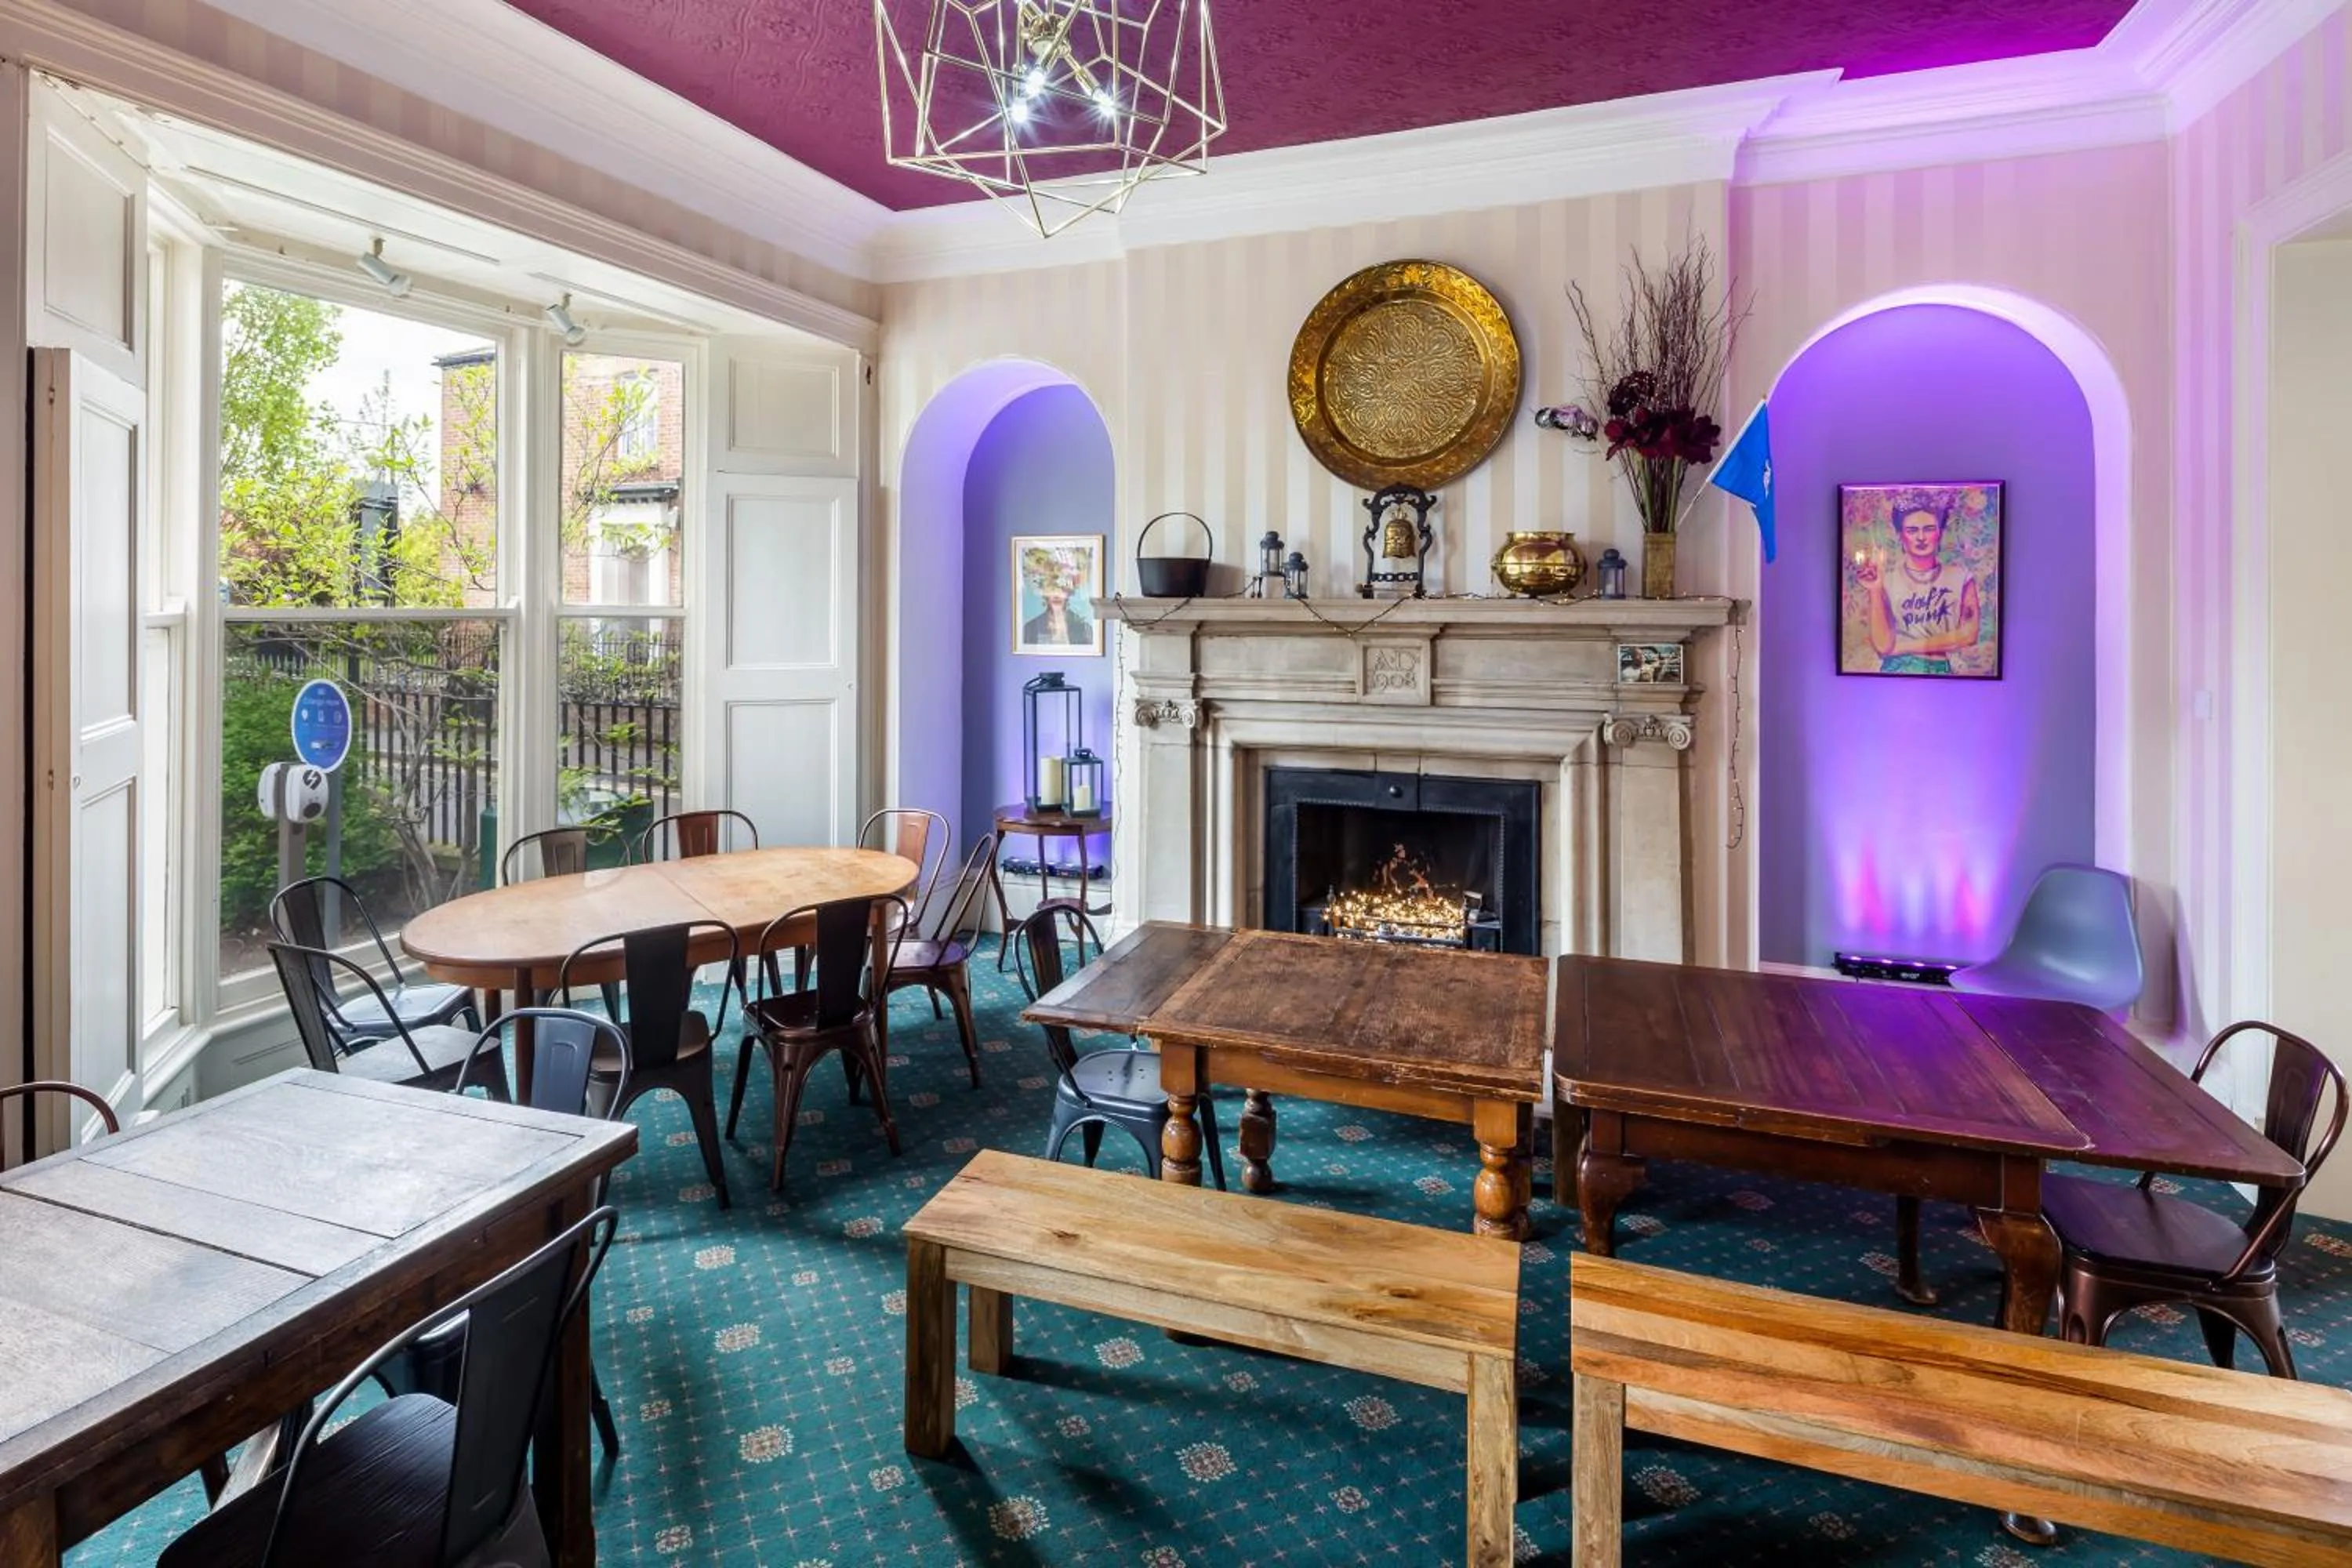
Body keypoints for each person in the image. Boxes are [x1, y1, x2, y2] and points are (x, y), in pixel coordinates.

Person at [1854, 490, 1980, 675]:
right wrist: (1875, 590)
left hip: (1941, 669)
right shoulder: (1886, 580)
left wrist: (1902, 646)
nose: (1921, 537)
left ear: (1940, 532)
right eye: (1912, 530)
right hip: (1896, 669)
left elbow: (1969, 634)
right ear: (1900, 535)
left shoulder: (1960, 577)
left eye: (1928, 528)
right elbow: (1882, 645)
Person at [1022, 571, 1093, 648]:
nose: (1056, 595)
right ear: (1045, 596)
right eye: (1052, 590)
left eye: (1062, 589)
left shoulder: (1084, 628)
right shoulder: (1030, 628)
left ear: (1068, 594)